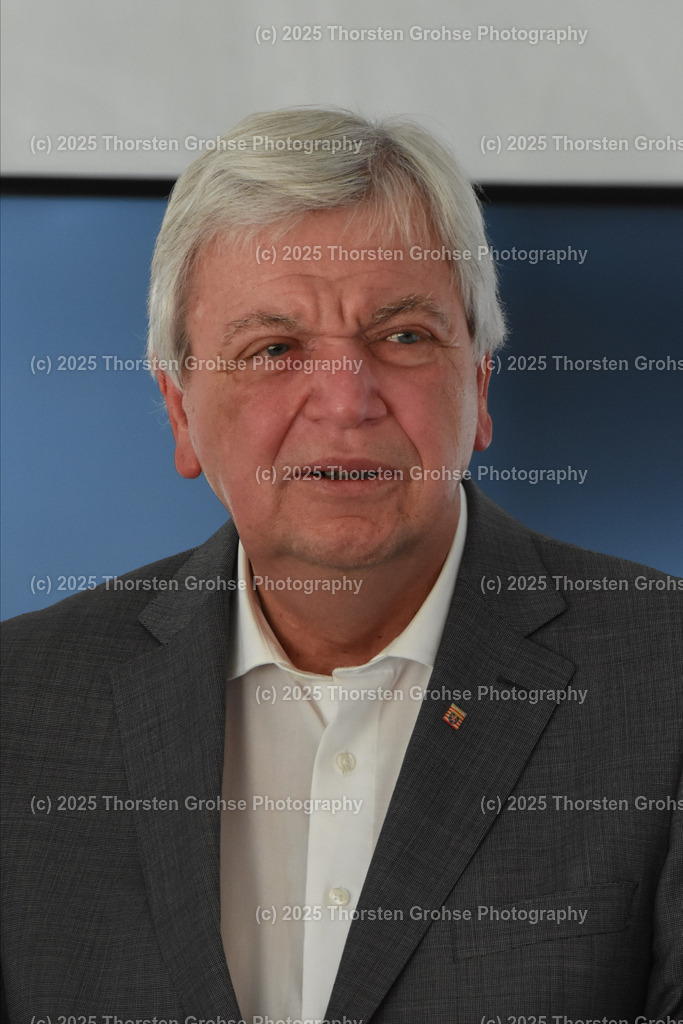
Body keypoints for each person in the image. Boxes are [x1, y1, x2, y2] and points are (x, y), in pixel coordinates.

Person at [1, 108, 681, 1022]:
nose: (345, 401)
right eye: (273, 349)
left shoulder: (664, 682)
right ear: (180, 411)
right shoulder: (19, 707)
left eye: (402, 337)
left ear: (478, 386)